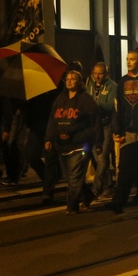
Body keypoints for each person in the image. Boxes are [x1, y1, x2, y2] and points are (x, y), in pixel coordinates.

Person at [108, 49, 138, 214]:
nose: (129, 62)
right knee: (124, 167)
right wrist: (117, 128)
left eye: (132, 59)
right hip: (127, 132)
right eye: (127, 59)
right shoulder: (123, 81)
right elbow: (118, 107)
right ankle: (119, 200)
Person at [45, 70, 100, 215]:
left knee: (75, 177)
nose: (69, 81)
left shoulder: (86, 100)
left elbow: (95, 122)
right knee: (71, 176)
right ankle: (88, 195)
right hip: (63, 145)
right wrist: (49, 138)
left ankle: (72, 206)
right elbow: (52, 119)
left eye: (73, 79)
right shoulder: (60, 99)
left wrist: (97, 141)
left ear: (80, 82)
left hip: (81, 145)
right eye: (67, 79)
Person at [88, 62, 118, 199]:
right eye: (95, 73)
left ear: (106, 74)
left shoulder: (113, 86)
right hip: (94, 126)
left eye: (100, 73)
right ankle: (108, 186)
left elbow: (112, 105)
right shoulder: (90, 87)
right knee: (96, 157)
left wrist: (97, 104)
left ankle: (96, 188)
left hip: (106, 125)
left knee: (102, 157)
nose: (97, 76)